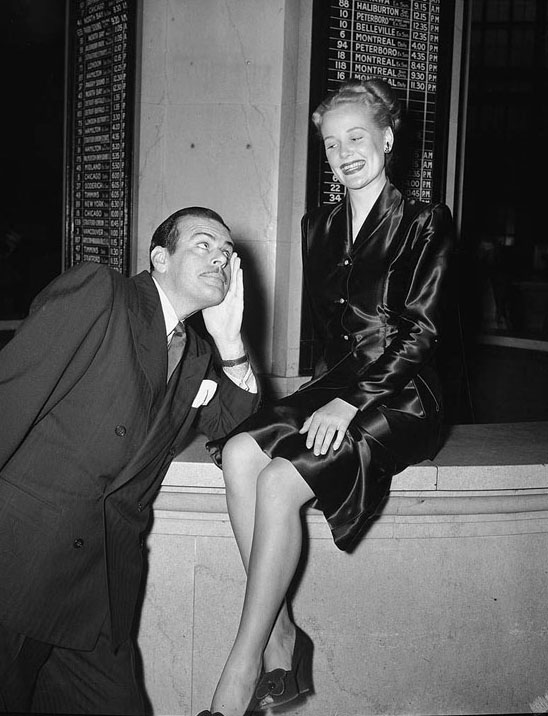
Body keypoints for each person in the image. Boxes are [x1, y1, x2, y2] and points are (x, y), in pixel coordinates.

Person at [196, 79, 454, 716]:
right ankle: (282, 631)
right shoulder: (319, 224)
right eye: (332, 144)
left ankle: (239, 672)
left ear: (388, 140)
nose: (344, 154)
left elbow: (422, 332)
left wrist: (350, 406)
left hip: (404, 394)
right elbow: (328, 333)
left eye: (356, 138)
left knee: (282, 483)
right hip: (337, 383)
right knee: (237, 456)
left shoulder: (425, 222)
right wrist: (313, 400)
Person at [0, 206, 260, 714]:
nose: (220, 260)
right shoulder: (102, 293)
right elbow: (11, 393)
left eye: (227, 254)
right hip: (21, 566)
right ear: (159, 257)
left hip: (99, 591)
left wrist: (230, 342)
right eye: (204, 245)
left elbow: (232, 430)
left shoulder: (198, 355)